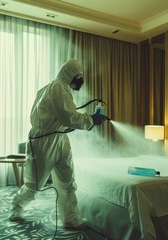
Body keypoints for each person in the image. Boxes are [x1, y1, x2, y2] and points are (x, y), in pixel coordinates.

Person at [9, 59, 107, 229]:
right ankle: (16, 207)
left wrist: (89, 119)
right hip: (43, 140)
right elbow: (68, 117)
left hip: (59, 138)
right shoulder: (57, 88)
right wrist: (91, 119)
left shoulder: (59, 88)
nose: (81, 80)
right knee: (35, 183)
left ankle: (71, 218)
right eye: (79, 76)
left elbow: (65, 115)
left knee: (67, 180)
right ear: (69, 75)